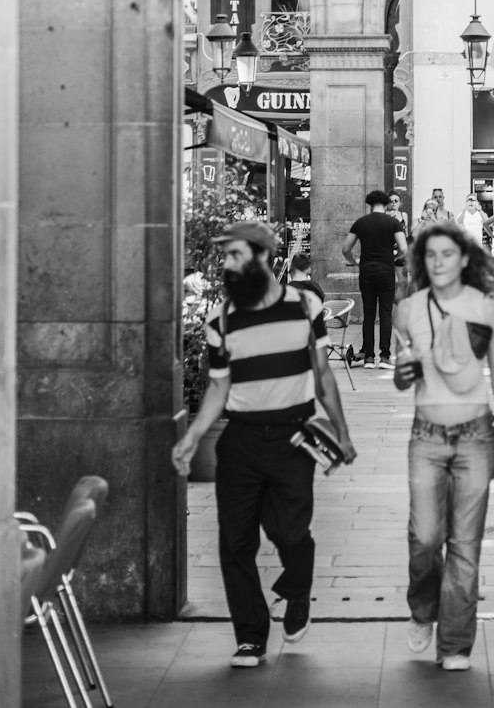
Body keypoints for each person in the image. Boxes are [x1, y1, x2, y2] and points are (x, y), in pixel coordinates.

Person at [171, 220, 356, 668]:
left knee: (291, 533)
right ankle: (251, 636)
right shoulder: (221, 319)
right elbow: (218, 388)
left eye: (235, 255)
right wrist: (193, 436)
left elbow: (323, 374)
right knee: (235, 543)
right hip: (239, 442)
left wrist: (343, 433)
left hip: (294, 437)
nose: (227, 264)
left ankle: (295, 593)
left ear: (261, 257)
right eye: (226, 257)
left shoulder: (303, 306)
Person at [392, 220, 494, 673]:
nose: (439, 262)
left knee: (465, 543)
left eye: (448, 254)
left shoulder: (485, 307)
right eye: (431, 255)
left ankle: (456, 644)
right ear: (422, 262)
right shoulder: (408, 310)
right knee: (424, 538)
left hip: (476, 436)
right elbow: (403, 372)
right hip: (426, 435)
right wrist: (403, 373)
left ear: (464, 258)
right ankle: (423, 610)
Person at [342, 189, 408, 369]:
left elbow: (346, 248)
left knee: (369, 314)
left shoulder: (360, 223)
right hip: (386, 271)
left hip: (366, 271)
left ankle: (369, 357)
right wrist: (393, 257)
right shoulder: (393, 222)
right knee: (385, 312)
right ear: (386, 204)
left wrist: (354, 261)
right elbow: (404, 248)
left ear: (369, 204)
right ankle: (385, 357)